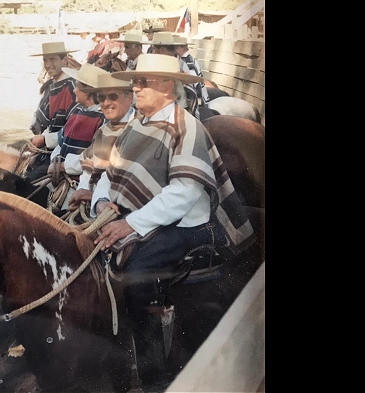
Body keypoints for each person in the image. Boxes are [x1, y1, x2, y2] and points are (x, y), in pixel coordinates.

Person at [91, 53, 256, 389]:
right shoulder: (139, 122)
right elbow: (114, 171)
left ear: (167, 86)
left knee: (136, 278)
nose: (135, 88)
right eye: (135, 82)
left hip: (185, 226)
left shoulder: (185, 126)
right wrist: (103, 200)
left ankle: (154, 376)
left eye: (142, 82)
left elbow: (184, 192)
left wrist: (131, 224)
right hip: (144, 215)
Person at [67, 72, 135, 212]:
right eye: (102, 98)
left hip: (116, 208)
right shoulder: (103, 130)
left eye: (113, 97)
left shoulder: (137, 130)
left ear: (130, 98)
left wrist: (95, 197)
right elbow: (88, 168)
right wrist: (81, 191)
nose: (106, 103)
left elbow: (122, 179)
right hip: (94, 201)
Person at [46, 64, 108, 212]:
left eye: (77, 86)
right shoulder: (77, 112)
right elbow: (60, 144)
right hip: (61, 177)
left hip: (80, 183)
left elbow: (94, 158)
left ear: (87, 92)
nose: (74, 90)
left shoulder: (103, 119)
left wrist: (63, 166)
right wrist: (55, 161)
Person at [26, 41, 79, 182]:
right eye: (45, 60)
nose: (48, 65)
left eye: (53, 59)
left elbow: (75, 128)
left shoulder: (72, 87)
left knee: (30, 182)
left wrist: (45, 139)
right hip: (47, 144)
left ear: (65, 60)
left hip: (65, 150)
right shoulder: (52, 85)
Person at [174, 35, 210, 108]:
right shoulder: (188, 59)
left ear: (183, 48)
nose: (174, 50)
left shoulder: (187, 62)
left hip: (197, 100)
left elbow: (194, 83)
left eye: (176, 47)